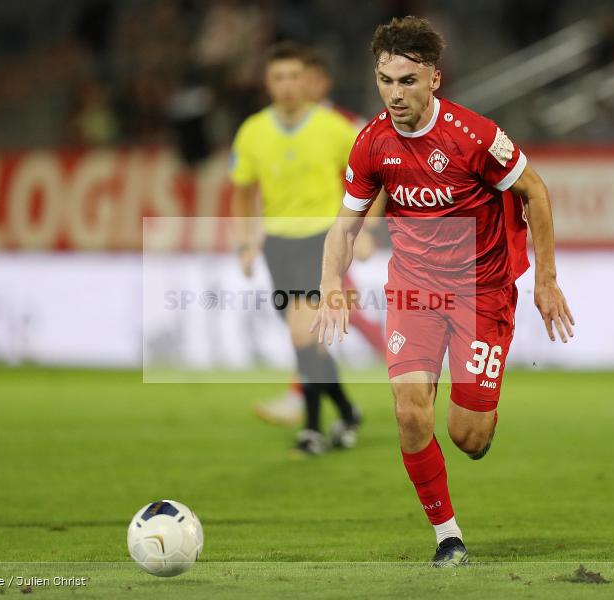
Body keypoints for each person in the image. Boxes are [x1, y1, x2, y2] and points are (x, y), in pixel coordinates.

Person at [311, 16, 575, 565]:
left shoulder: (473, 136)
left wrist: (546, 279)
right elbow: (345, 225)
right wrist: (330, 281)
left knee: (467, 436)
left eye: (407, 81)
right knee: (410, 413)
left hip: (483, 293)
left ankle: (479, 414)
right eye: (385, 80)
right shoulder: (371, 144)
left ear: (434, 78)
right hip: (415, 290)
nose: (394, 93)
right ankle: (447, 536)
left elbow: (535, 191)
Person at [230, 42, 362, 455]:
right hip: (278, 244)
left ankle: (311, 430)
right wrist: (246, 242)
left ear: (307, 81)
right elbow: (242, 192)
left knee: (304, 333)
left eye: (294, 76)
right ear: (268, 83)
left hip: (323, 240)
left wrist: (365, 229)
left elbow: (371, 178)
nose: (287, 85)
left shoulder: (334, 128)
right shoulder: (253, 131)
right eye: (279, 77)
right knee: (308, 341)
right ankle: (347, 412)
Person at [253, 48, 387, 428]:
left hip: (332, 235)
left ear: (323, 82)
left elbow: (374, 176)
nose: (296, 87)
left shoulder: (343, 124)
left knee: (314, 317)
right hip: (298, 240)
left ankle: (304, 401)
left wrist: (366, 229)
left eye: (305, 79)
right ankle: (395, 370)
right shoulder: (282, 127)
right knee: (336, 312)